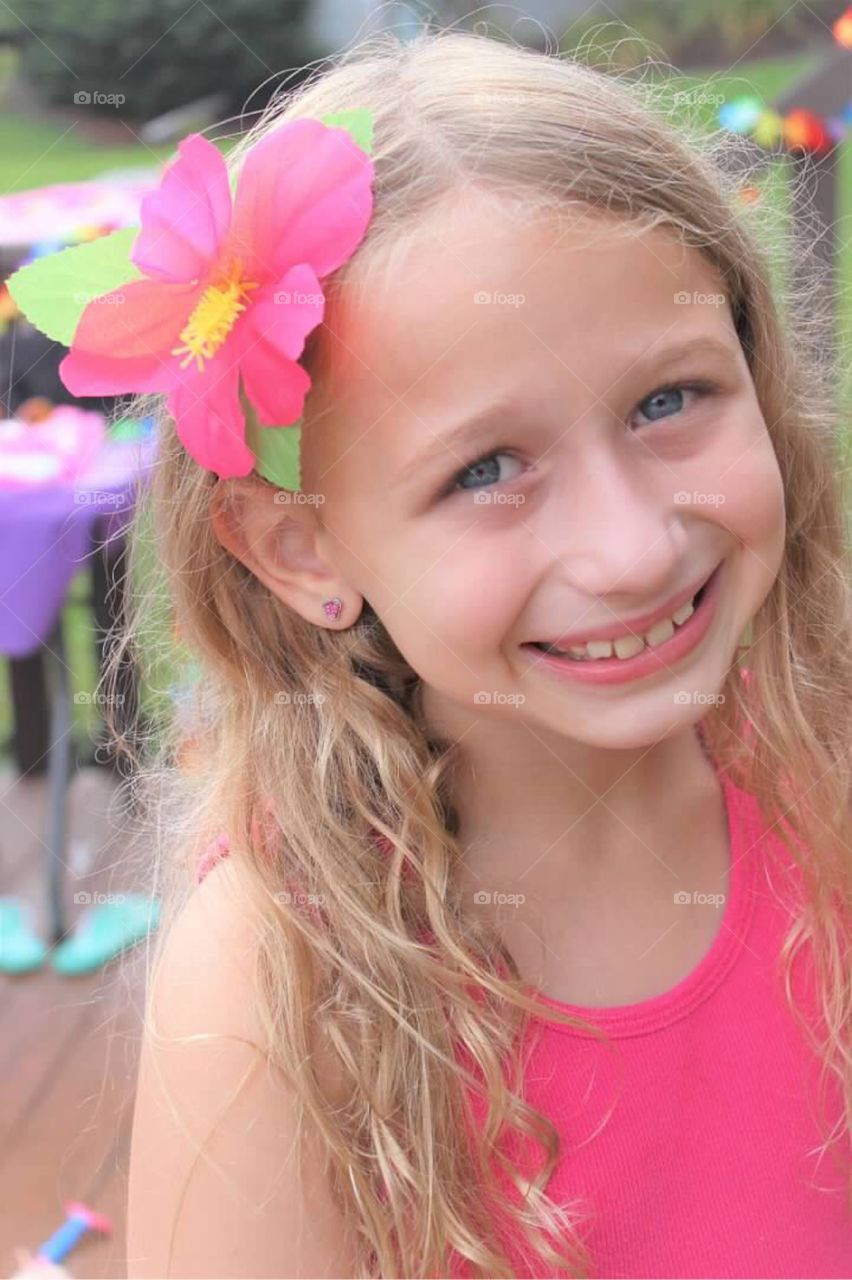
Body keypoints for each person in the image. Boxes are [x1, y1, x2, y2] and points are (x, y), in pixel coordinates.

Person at [76, 29, 850, 1279]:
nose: (632, 547)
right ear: (301, 550)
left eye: (671, 400)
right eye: (486, 469)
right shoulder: (273, 991)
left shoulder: (829, 778)